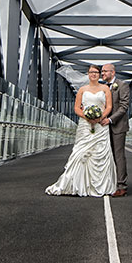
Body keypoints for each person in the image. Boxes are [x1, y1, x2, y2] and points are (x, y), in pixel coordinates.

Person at [45, 65, 117, 197]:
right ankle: (77, 184)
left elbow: (109, 106)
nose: (94, 74)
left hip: (101, 125)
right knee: (80, 152)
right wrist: (88, 117)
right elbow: (77, 108)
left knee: (100, 153)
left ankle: (101, 185)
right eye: (91, 72)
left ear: (99, 74)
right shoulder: (82, 90)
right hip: (85, 125)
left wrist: (99, 117)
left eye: (96, 72)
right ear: (88, 74)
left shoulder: (105, 88)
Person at [100, 63, 130, 197]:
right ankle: (109, 183)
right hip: (103, 127)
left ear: (112, 72)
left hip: (117, 126)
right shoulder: (102, 87)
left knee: (118, 156)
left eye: (104, 71)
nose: (102, 74)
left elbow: (123, 106)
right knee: (106, 155)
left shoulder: (122, 85)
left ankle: (121, 186)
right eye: (101, 72)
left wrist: (110, 119)